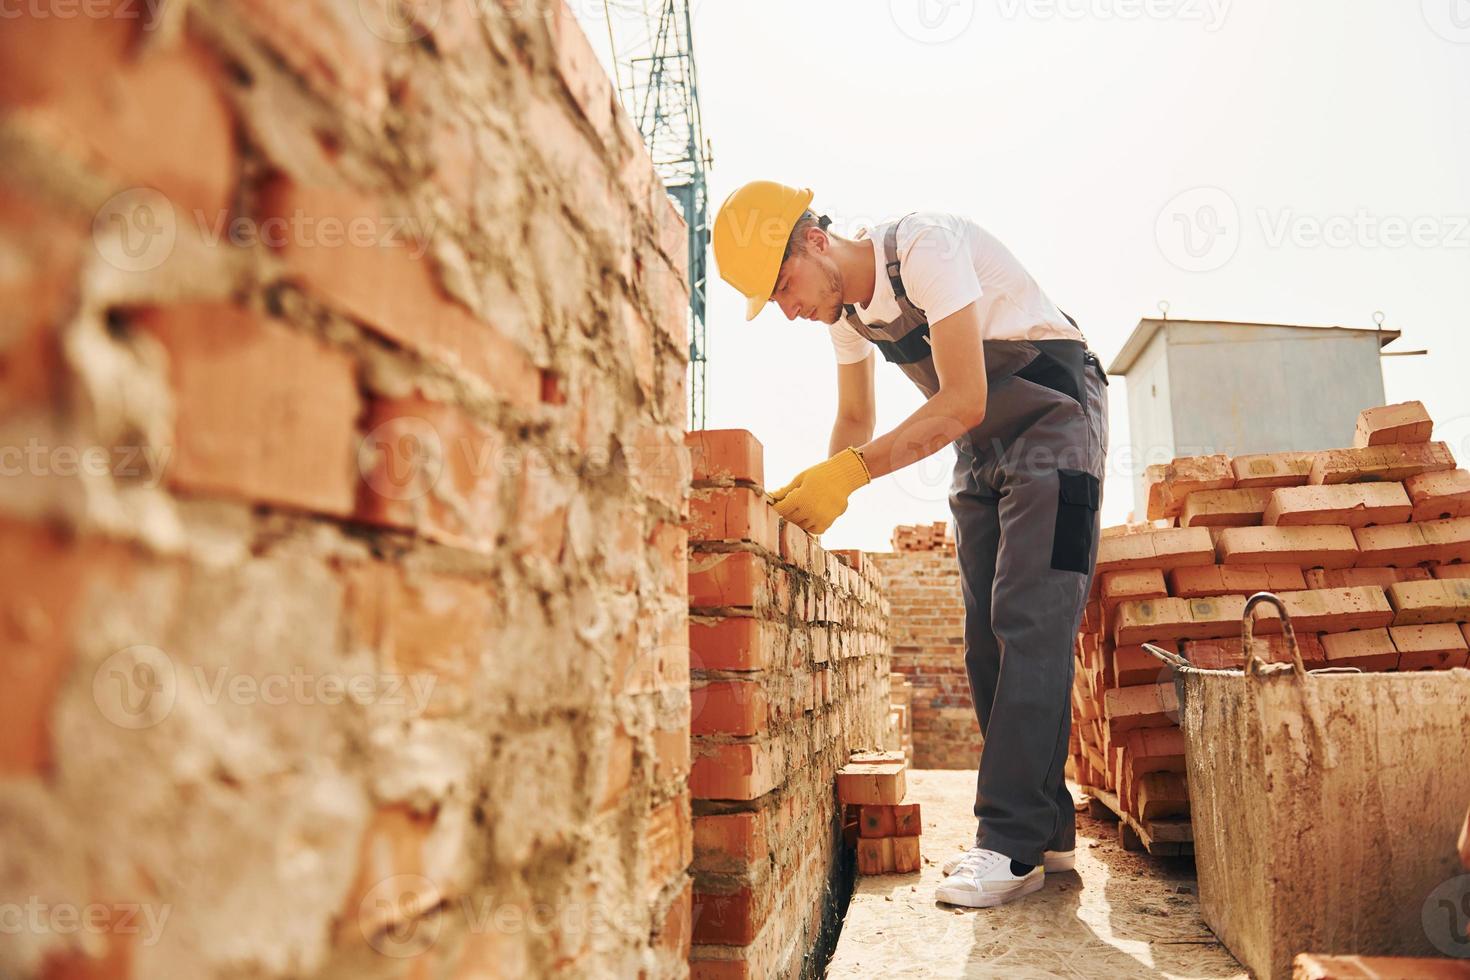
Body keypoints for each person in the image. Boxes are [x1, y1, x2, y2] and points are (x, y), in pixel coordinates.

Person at [710, 180, 1109, 908]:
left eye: (784, 286)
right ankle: (1046, 832)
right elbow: (855, 421)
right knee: (986, 635)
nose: (789, 309)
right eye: (774, 302)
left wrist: (855, 472)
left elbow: (963, 397)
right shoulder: (849, 316)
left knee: (1031, 619)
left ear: (815, 241)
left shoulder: (923, 247)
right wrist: (820, 508)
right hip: (982, 444)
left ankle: (1009, 843)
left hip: (1056, 420)